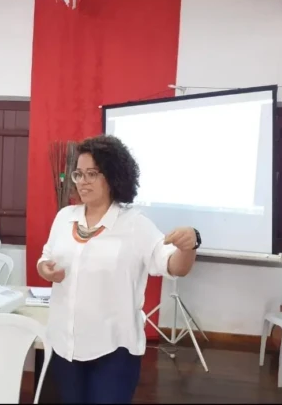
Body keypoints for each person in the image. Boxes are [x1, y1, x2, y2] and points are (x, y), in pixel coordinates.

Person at [37, 134, 200, 404]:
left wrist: (190, 246)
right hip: (65, 345)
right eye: (79, 174)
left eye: (92, 174)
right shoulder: (64, 218)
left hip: (114, 349)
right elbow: (46, 257)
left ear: (113, 176)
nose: (83, 181)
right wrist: (45, 270)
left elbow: (173, 266)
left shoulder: (135, 224)